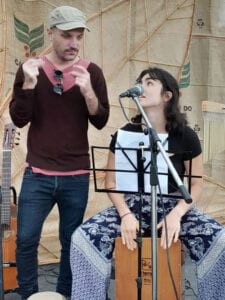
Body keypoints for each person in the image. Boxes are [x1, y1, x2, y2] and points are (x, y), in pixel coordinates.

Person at [70, 67, 225, 300]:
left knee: (221, 242)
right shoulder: (124, 134)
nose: (142, 86)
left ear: (167, 95)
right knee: (81, 239)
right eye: (140, 82)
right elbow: (110, 182)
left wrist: (177, 214)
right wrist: (124, 215)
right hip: (131, 205)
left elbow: (195, 185)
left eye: (150, 82)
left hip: (173, 205)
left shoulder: (186, 136)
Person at [9, 5, 109, 300]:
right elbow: (19, 120)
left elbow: (101, 121)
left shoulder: (92, 72)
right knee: (26, 239)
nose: (74, 43)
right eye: (67, 35)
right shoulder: (32, 69)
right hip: (37, 173)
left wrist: (88, 91)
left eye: (78, 36)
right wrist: (28, 85)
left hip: (76, 175)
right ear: (51, 33)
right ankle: (29, 294)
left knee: (71, 241)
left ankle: (65, 294)